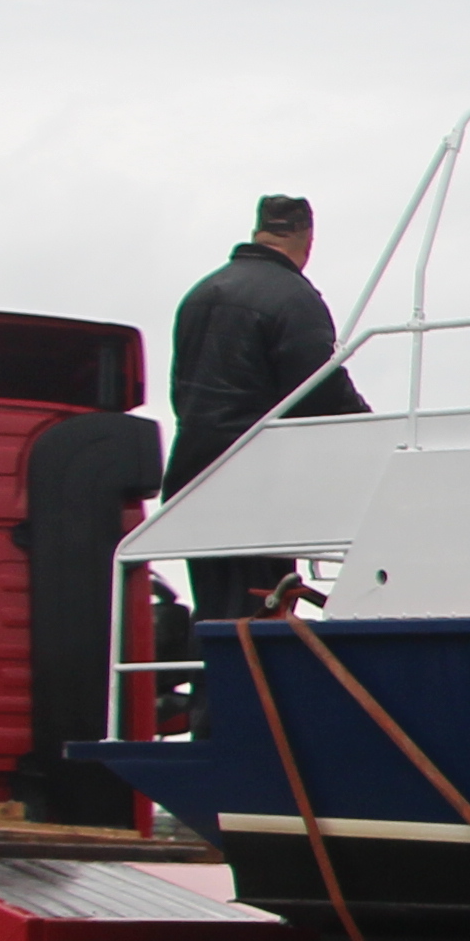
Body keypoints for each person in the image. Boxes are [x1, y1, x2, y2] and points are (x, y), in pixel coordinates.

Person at [169, 193, 368, 629]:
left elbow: (181, 392)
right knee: (261, 612)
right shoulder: (294, 298)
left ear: (259, 230)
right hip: (256, 485)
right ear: (307, 240)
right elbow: (319, 391)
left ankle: (211, 692)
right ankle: (249, 694)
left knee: (216, 609)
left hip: (193, 478)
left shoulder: (201, 293)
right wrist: (373, 432)